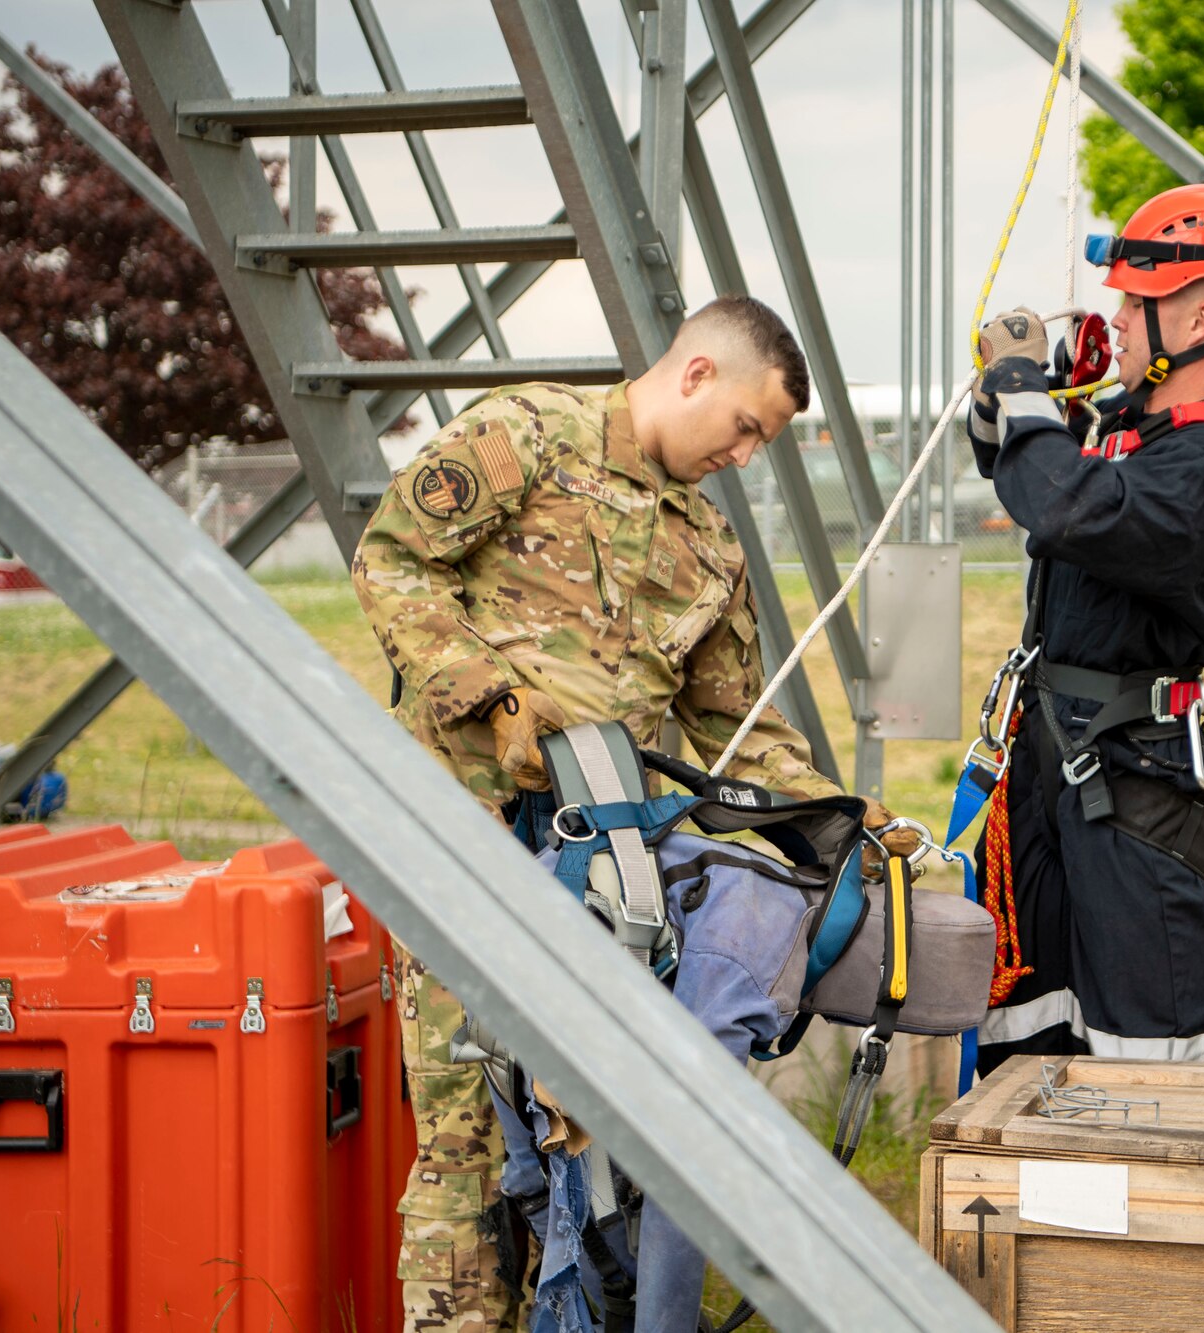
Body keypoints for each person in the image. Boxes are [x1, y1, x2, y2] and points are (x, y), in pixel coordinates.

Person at [352, 294, 910, 1332]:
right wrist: (491, 691)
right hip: (465, 847)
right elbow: (390, 561)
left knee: (591, 1138)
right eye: (746, 426)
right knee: (471, 1131)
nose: (746, 456)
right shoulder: (522, 437)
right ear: (695, 373)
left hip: (615, 887)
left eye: (766, 442)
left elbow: (732, 716)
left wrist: (835, 816)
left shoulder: (706, 545)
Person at [966, 183, 1204, 1073]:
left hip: (1135, 783)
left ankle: (1148, 1203)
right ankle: (1032, 1197)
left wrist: (1030, 393)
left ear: (1197, 318)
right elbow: (1022, 467)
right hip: (1056, 765)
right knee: (1028, 1022)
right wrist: (1014, 395)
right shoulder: (1135, 430)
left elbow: (1070, 509)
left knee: (1149, 1056)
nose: (1116, 321)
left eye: (1132, 304)